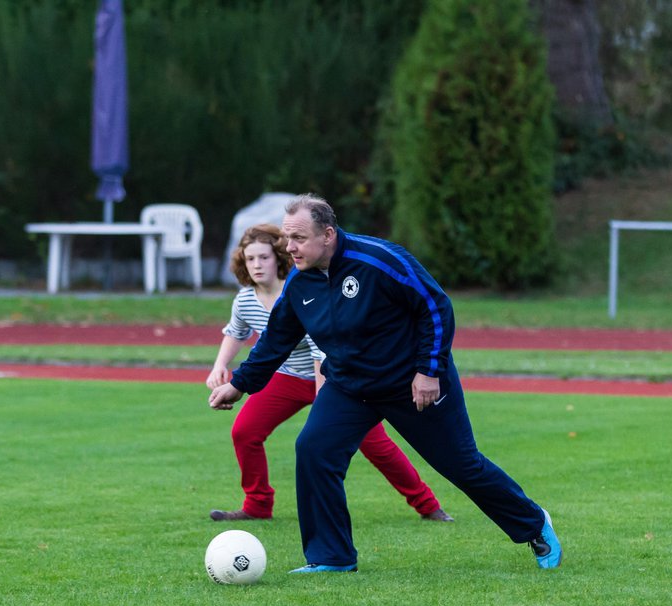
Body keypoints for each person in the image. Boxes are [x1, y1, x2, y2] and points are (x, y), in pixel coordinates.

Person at [208, 194, 561, 574]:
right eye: (287, 237)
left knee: (462, 466)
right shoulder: (299, 280)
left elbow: (435, 307)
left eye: (298, 238)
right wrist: (240, 384)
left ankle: (534, 524)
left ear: (328, 235)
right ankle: (331, 557)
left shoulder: (379, 260)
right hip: (349, 386)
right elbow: (276, 339)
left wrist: (428, 371)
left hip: (410, 383)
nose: (289, 247)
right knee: (314, 449)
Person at [205, 222, 454, 524]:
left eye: (264, 257)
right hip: (285, 379)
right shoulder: (245, 299)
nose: (257, 264)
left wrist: (326, 402)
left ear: (280, 257)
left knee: (376, 445)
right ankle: (257, 504)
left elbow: (320, 350)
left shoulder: (303, 286)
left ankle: (427, 505)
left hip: (332, 379)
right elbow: (237, 332)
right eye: (250, 258)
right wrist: (220, 366)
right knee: (245, 431)